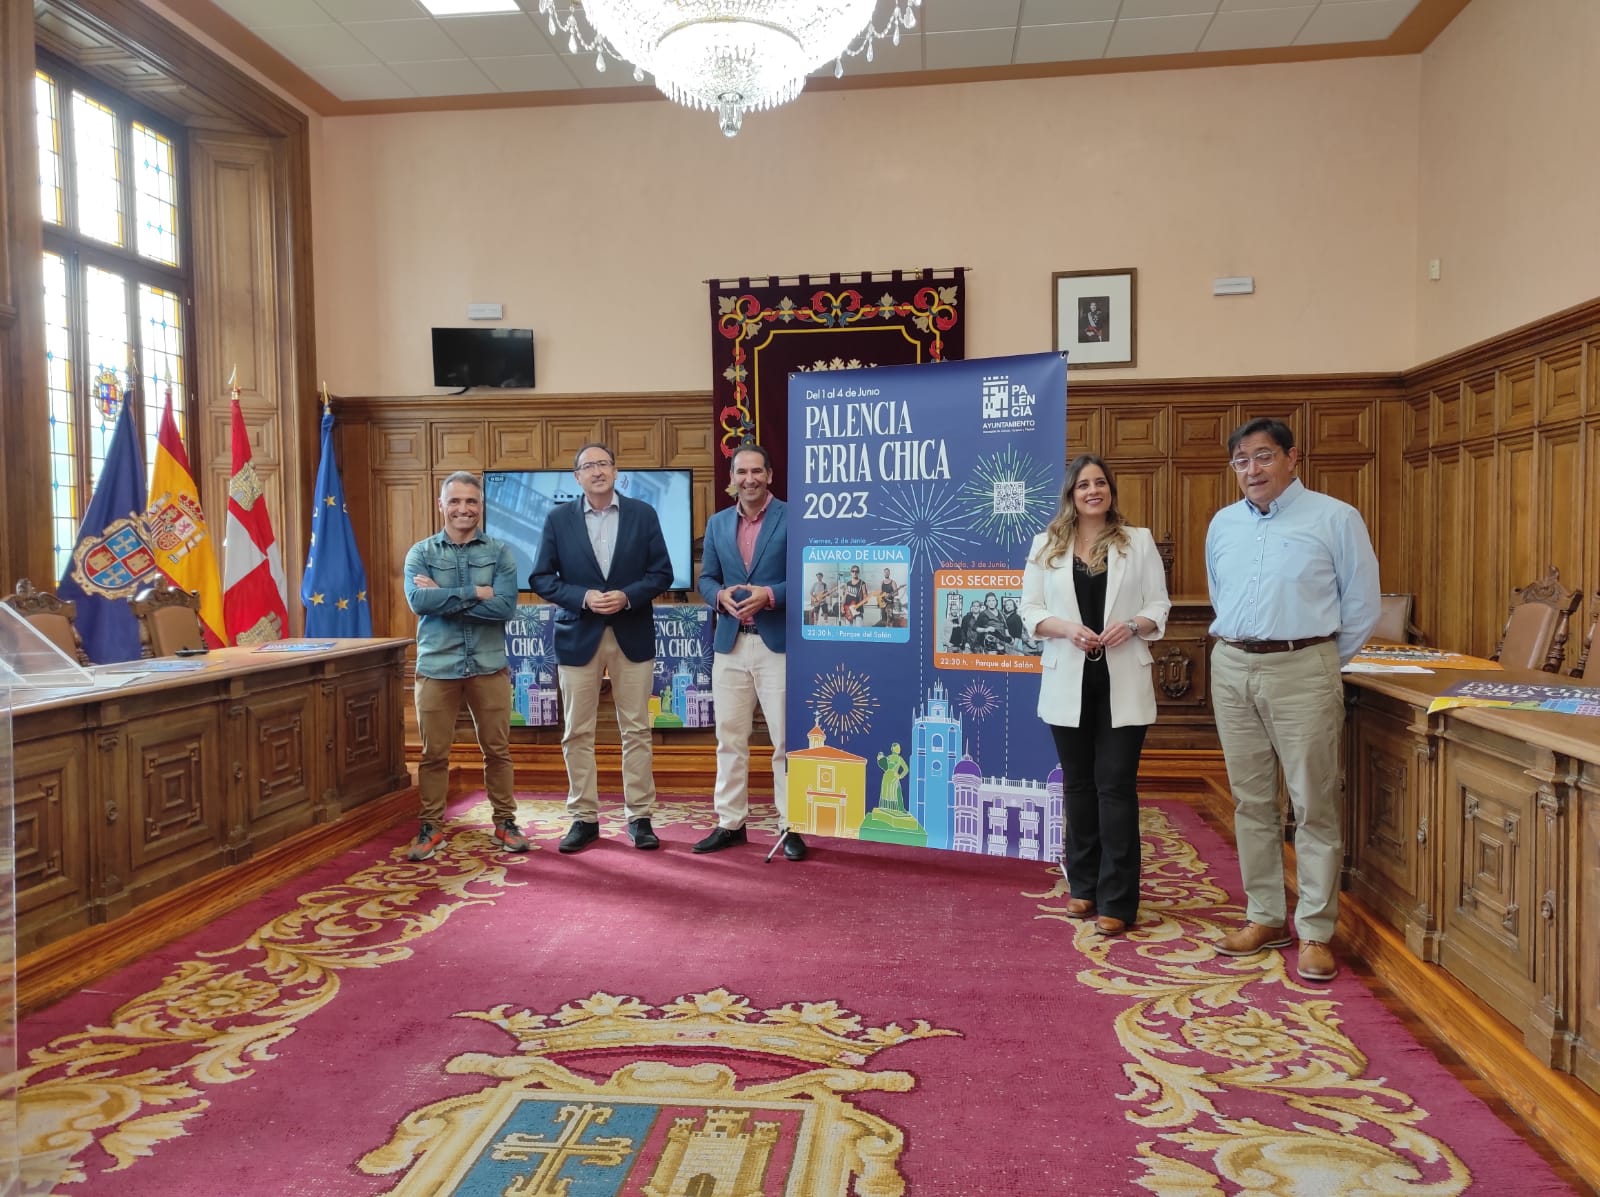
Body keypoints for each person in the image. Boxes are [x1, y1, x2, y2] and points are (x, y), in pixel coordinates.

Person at [1206, 417, 1380, 982]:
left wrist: (1316, 656)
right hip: (1233, 666)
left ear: (1291, 457)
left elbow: (1362, 606)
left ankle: (1315, 931)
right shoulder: (1223, 523)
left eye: (1262, 456)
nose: (1251, 469)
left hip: (1304, 666)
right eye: (1241, 461)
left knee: (1313, 804)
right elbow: (1221, 593)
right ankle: (1265, 917)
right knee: (1251, 802)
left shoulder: (1335, 518)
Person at [1019, 454, 1170, 937]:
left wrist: (1133, 625)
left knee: (1116, 786)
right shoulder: (1046, 544)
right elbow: (1029, 612)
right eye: (1083, 484)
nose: (1092, 491)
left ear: (1110, 490)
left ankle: (1118, 899)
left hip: (1122, 679)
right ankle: (1083, 886)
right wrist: (1066, 628)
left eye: (1100, 482)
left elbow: (1159, 605)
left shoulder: (1137, 541)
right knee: (1079, 787)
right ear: (1071, 494)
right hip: (1068, 679)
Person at [530, 443, 673, 853]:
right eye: (588, 466)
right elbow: (542, 578)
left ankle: (640, 817)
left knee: (637, 730)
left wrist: (627, 596)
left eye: (603, 464)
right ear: (577, 477)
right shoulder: (558, 519)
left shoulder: (643, 514)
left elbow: (662, 573)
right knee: (577, 731)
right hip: (579, 634)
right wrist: (583, 597)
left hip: (632, 631)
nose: (597, 471)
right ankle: (583, 817)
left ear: (616, 471)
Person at [403, 472, 529, 861]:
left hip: (488, 666)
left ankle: (505, 822)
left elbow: (504, 608)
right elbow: (419, 602)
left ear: (481, 507)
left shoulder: (501, 553)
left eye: (471, 501)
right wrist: (474, 592)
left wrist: (443, 598)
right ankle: (431, 827)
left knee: (498, 751)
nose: (463, 509)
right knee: (433, 754)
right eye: (455, 501)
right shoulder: (421, 553)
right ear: (441, 505)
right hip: (437, 666)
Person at [692, 444, 805, 860]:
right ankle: (730, 823)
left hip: (778, 645)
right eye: (742, 472)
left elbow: (808, 574)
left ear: (770, 475)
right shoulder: (718, 523)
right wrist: (718, 596)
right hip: (731, 644)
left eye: (757, 471)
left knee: (785, 742)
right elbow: (706, 578)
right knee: (729, 739)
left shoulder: (794, 518)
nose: (749, 479)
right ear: (732, 478)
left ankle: (791, 825)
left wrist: (770, 595)